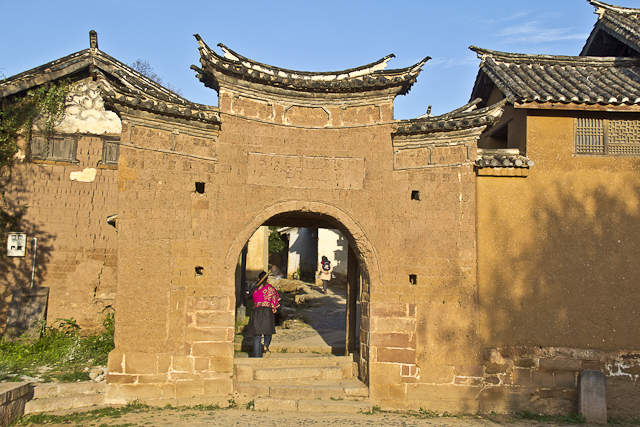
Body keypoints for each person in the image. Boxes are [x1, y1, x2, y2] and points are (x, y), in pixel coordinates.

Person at [246, 271, 280, 357]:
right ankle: (266, 345)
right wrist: (274, 308)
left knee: (257, 336)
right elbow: (275, 299)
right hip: (267, 312)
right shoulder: (271, 289)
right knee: (267, 332)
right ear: (267, 279)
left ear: (258, 279)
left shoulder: (255, 288)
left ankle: (257, 357)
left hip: (256, 312)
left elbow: (247, 296)